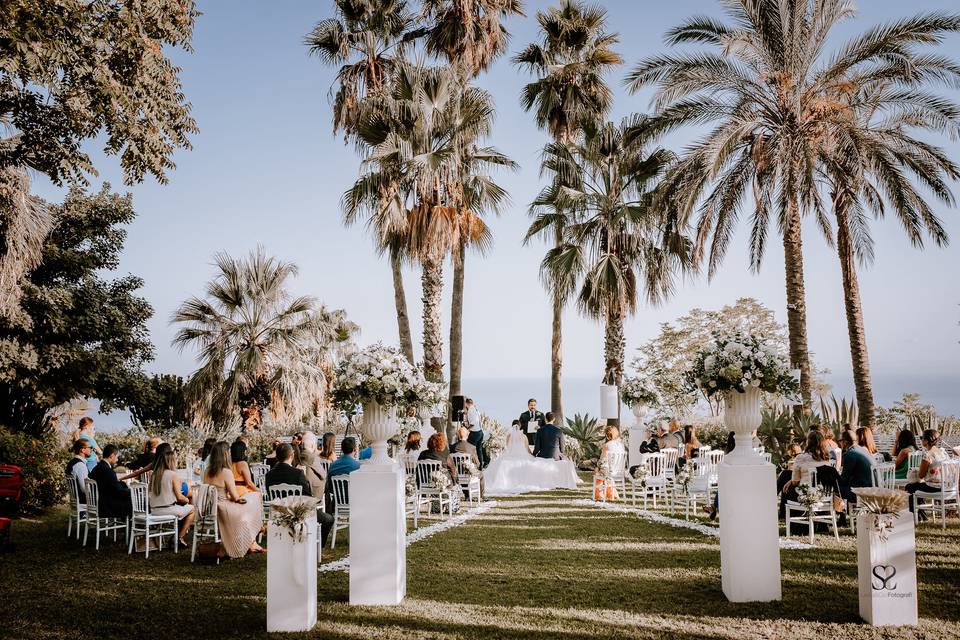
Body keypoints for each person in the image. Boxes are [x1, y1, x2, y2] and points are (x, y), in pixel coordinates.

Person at [266, 444, 335, 547]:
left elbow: (270, 494)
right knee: (329, 519)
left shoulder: (269, 475)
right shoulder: (297, 473)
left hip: (278, 513)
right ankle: (318, 546)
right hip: (297, 514)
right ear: (292, 455)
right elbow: (306, 497)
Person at [203, 441, 264, 557]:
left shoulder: (206, 471)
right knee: (253, 501)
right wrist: (238, 499)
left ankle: (252, 540)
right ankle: (253, 538)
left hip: (211, 508)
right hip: (224, 509)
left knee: (248, 507)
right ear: (225, 454)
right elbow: (235, 497)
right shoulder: (226, 472)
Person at [148, 447, 195, 545]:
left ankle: (176, 536)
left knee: (182, 510)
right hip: (167, 510)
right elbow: (179, 497)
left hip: (154, 511)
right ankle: (179, 537)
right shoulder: (172, 474)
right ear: (171, 461)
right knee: (192, 509)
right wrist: (187, 500)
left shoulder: (154, 475)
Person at [905, 429, 949, 518]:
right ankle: (921, 516)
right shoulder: (943, 452)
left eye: (922, 438)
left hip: (935, 487)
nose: (921, 440)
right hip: (947, 486)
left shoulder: (928, 455)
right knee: (917, 486)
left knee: (909, 487)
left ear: (926, 441)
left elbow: (921, 475)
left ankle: (916, 516)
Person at [417, 432, 461, 513]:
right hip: (442, 484)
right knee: (455, 484)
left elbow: (418, 470)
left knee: (442, 480)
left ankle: (437, 507)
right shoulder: (445, 454)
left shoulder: (423, 454)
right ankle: (453, 507)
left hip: (426, 483)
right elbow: (453, 468)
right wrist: (455, 481)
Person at [89, 444, 132, 518]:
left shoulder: (95, 468)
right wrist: (131, 491)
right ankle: (130, 528)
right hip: (106, 507)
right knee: (133, 502)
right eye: (117, 457)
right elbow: (118, 491)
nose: (117, 460)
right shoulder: (108, 471)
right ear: (111, 456)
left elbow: (109, 486)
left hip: (97, 503)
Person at [838, 430, 873, 507]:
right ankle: (845, 514)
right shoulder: (863, 450)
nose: (840, 443)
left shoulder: (849, 454)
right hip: (872, 488)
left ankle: (841, 516)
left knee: (836, 489)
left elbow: (844, 478)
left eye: (840, 441)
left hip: (861, 492)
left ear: (845, 442)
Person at [594, 426, 624, 501]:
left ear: (607, 435)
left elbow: (602, 460)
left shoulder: (607, 445)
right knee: (605, 472)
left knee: (598, 472)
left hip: (609, 471)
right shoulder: (621, 445)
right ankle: (611, 494)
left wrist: (597, 467)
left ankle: (600, 495)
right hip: (619, 471)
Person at [299, 431, 327, 498]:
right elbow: (323, 475)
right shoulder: (312, 458)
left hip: (300, 493)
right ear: (313, 445)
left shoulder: (298, 456)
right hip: (312, 494)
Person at [463, 398, 488, 468]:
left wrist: (467, 428)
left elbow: (473, 423)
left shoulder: (471, 411)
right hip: (480, 432)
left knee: (468, 449)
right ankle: (481, 465)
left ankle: (470, 465)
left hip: (475, 433)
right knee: (479, 449)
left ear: (466, 403)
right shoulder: (475, 409)